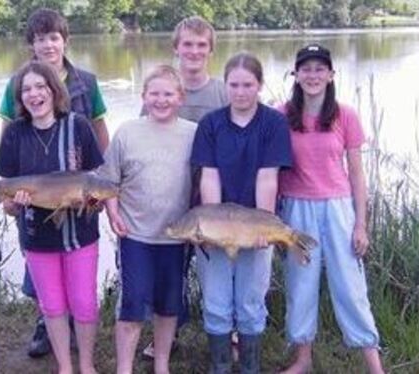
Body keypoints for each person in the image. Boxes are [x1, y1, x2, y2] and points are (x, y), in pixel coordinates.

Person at [0, 7, 110, 358]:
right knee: (43, 275)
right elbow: (8, 150)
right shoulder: (16, 86)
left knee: (80, 286)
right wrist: (9, 195)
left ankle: (79, 331)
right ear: (31, 44)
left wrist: (102, 188)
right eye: (40, 38)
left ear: (65, 40)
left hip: (78, 196)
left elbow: (101, 137)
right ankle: (48, 323)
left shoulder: (86, 84)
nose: (47, 44)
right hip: (35, 194)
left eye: (53, 37)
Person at [277, 44, 385, 374]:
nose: (312, 75)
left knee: (350, 287)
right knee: (301, 284)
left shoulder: (345, 114)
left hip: (338, 210)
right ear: (296, 75)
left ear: (331, 74)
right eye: (305, 69)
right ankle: (303, 359)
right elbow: (273, 169)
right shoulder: (281, 115)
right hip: (297, 209)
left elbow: (356, 173)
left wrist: (361, 224)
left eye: (319, 69)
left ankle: (373, 363)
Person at [191, 53, 292, 374]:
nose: (240, 92)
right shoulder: (211, 124)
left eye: (248, 85)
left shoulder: (274, 123)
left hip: (255, 227)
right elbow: (209, 176)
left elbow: (268, 177)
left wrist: (264, 225)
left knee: (250, 302)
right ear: (226, 85)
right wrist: (210, 227)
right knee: (216, 301)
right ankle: (220, 366)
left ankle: (250, 368)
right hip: (217, 225)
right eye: (233, 84)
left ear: (260, 85)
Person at [139, 15, 229, 360]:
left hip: (209, 197)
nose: (194, 51)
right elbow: (141, 138)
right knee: (166, 271)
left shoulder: (222, 91)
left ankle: (225, 334)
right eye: (187, 44)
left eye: (201, 45)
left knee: (218, 269)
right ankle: (165, 334)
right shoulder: (161, 88)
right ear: (176, 48)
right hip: (166, 197)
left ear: (210, 50)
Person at [100, 65, 196, 374]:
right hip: (135, 235)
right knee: (132, 307)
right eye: (154, 93)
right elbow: (108, 182)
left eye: (168, 94)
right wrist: (113, 212)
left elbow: (204, 182)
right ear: (143, 96)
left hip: (175, 236)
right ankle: (124, 367)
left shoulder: (193, 134)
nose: (161, 100)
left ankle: (162, 364)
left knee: (168, 307)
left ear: (180, 97)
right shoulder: (127, 132)